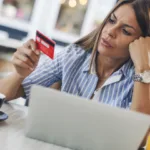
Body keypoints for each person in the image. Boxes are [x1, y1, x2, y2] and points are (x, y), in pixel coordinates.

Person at [0, 0, 149, 146]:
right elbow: (3, 94)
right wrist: (19, 74)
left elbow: (139, 139)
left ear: (142, 42)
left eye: (125, 31)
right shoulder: (74, 56)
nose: (110, 32)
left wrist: (143, 67)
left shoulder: (141, 79)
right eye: (111, 20)